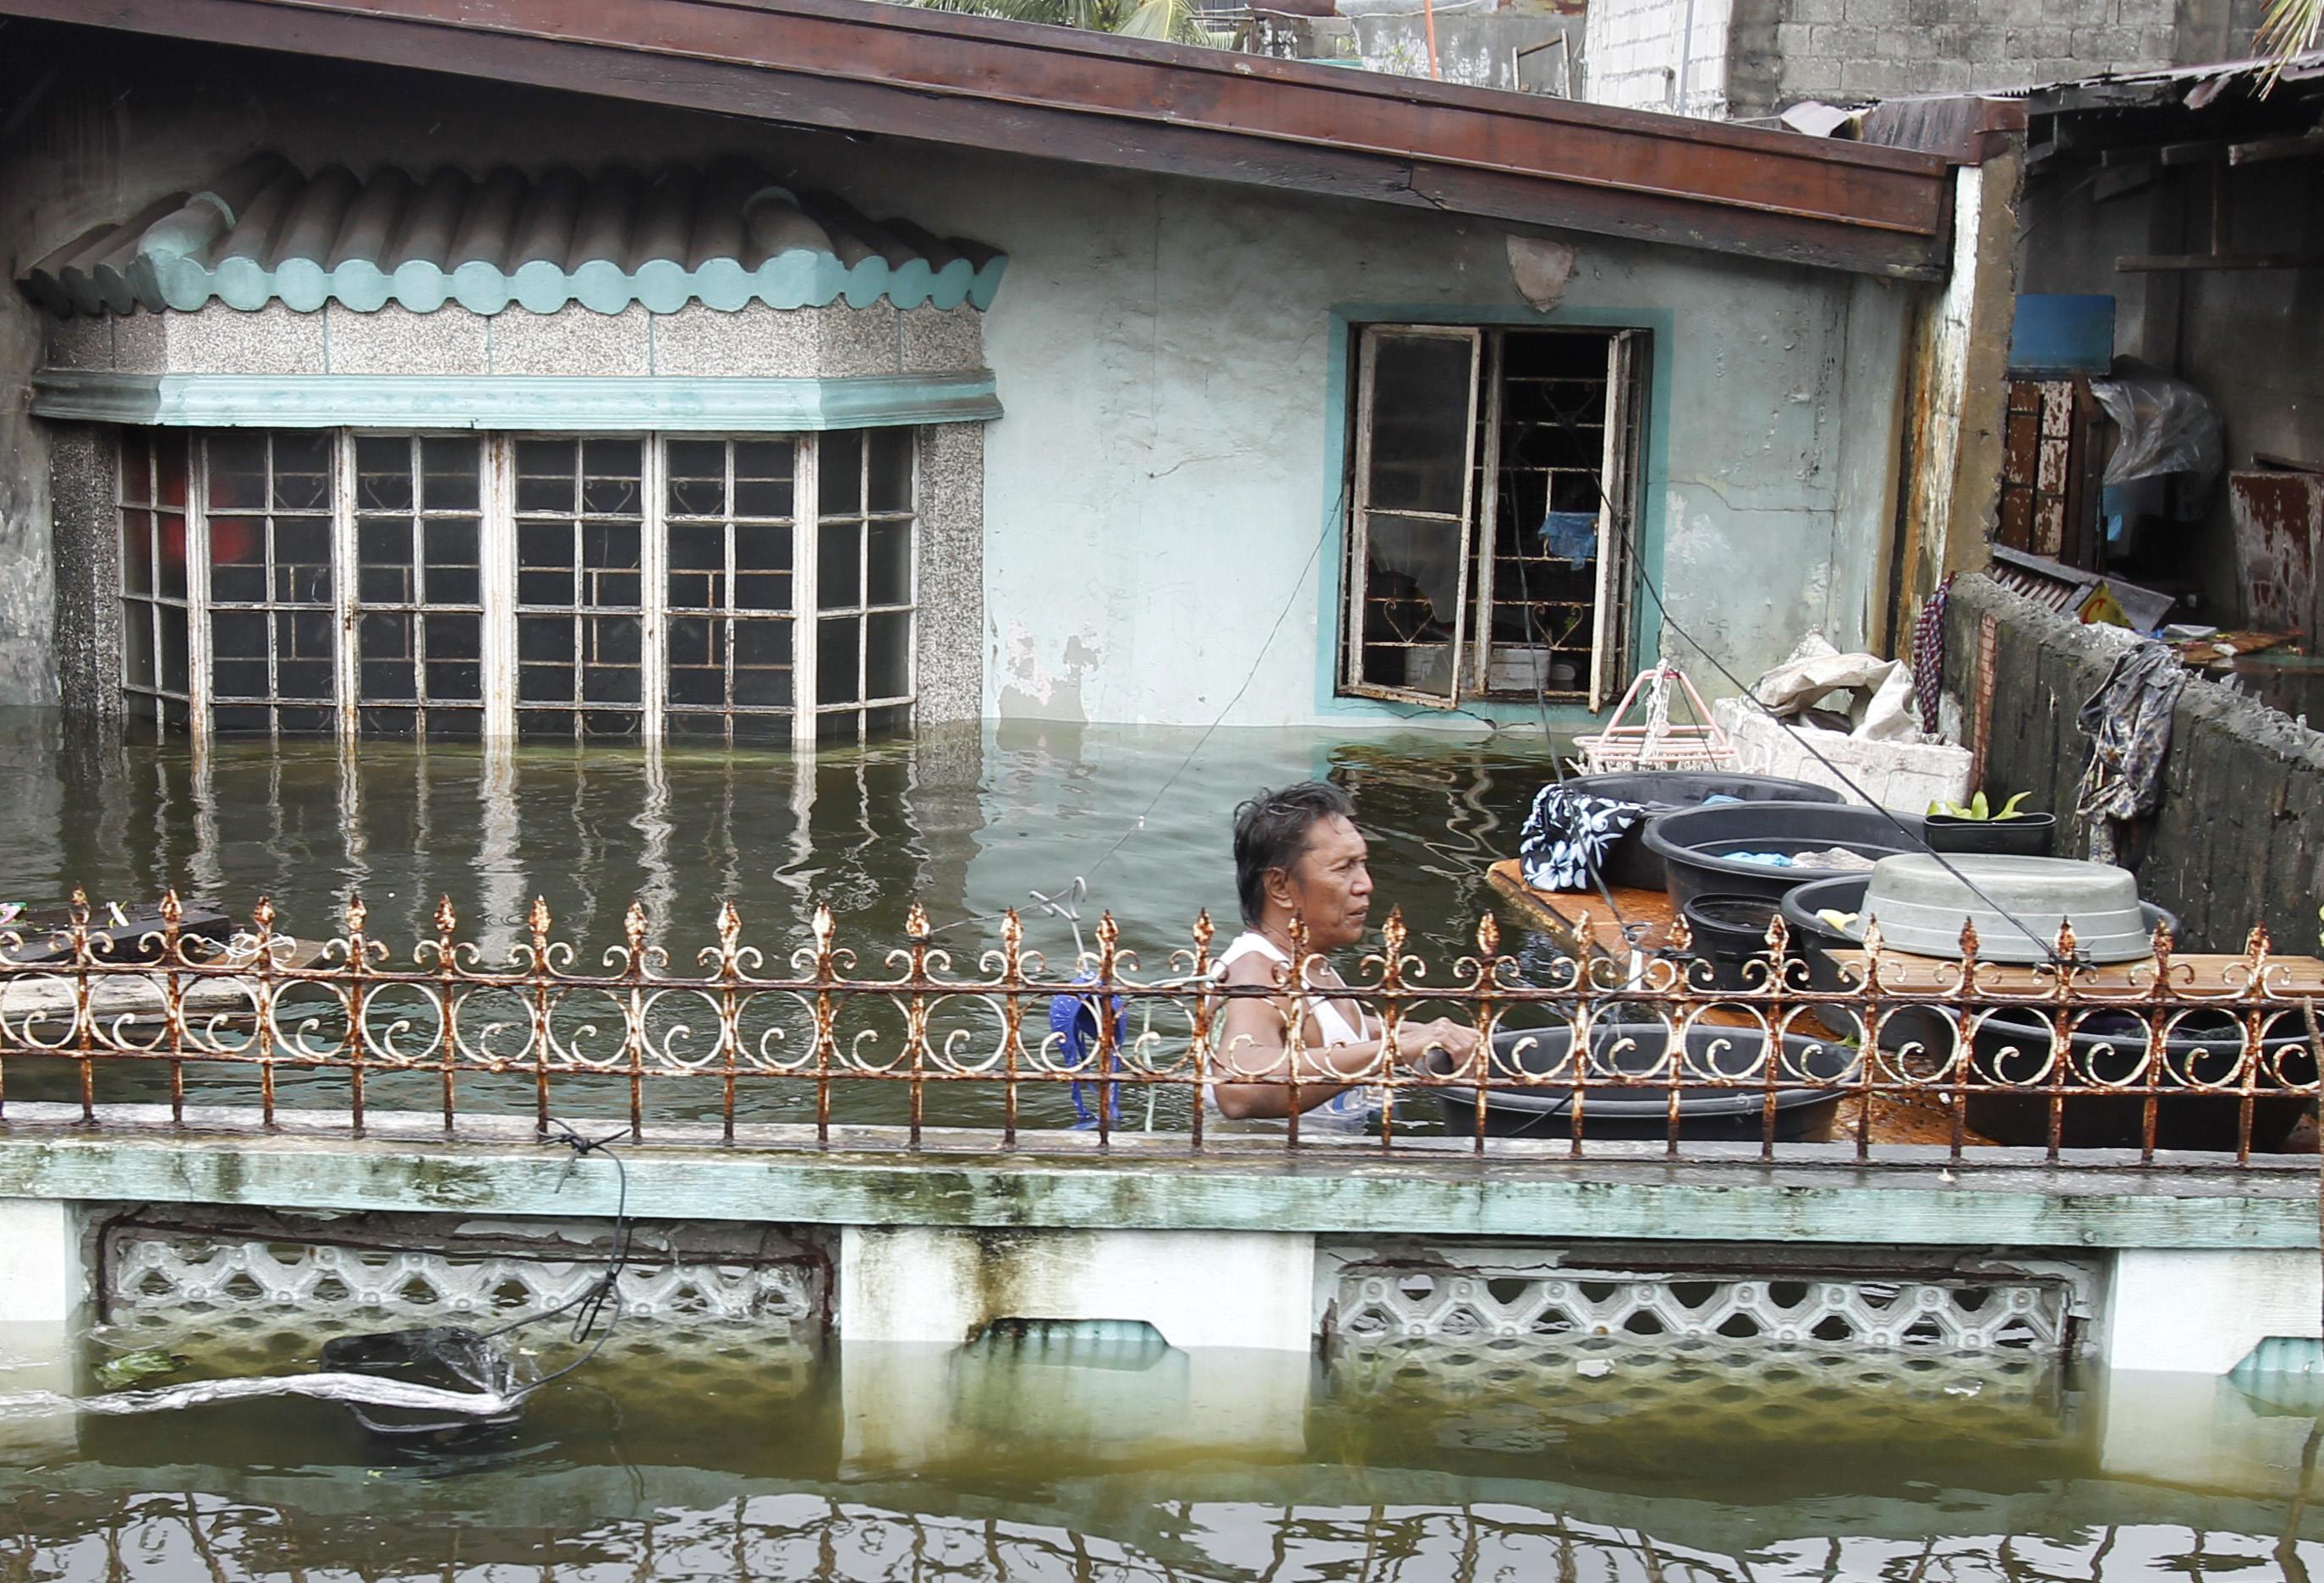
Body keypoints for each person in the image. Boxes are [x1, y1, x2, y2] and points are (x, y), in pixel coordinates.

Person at [1210, 781, 1480, 1126]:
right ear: (1280, 887)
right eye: (1343, 868)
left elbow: (1329, 1029)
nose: (1365, 884)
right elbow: (1239, 1089)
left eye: (1362, 864)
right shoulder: (1254, 972)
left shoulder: (1305, 963)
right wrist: (1394, 1050)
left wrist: (1423, 1033)